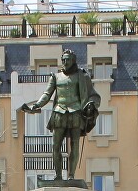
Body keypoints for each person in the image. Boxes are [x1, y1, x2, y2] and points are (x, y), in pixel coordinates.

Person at [19, 49, 100, 182]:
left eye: (68, 59)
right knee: (55, 145)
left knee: (74, 145)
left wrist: (91, 104)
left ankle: (71, 175)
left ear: (73, 61)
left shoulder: (82, 76)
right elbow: (47, 94)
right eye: (63, 60)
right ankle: (58, 175)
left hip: (76, 112)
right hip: (59, 112)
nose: (65, 62)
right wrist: (36, 105)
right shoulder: (55, 77)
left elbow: (93, 94)